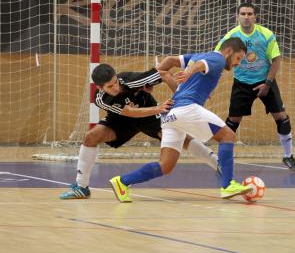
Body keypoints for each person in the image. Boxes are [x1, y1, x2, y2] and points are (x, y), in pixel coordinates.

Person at [109, 37, 253, 202]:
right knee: (227, 136)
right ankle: (228, 185)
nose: (238, 63)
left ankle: (122, 182)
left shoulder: (198, 55)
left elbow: (170, 60)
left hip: (170, 115)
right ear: (229, 51)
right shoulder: (218, 59)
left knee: (166, 166)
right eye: (238, 58)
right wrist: (188, 73)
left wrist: (150, 79)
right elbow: (199, 66)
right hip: (186, 108)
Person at [59, 64, 219, 199]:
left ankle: (217, 164)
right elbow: (129, 112)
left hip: (148, 116)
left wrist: (185, 98)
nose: (115, 87)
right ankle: (82, 187)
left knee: (180, 137)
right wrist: (159, 108)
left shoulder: (131, 79)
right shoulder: (101, 99)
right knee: (90, 137)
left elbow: (164, 74)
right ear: (100, 88)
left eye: (115, 82)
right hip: (122, 120)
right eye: (110, 86)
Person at [215, 3, 295, 171]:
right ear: (237, 17)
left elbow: (275, 60)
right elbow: (217, 58)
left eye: (249, 14)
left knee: (282, 118)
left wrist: (267, 83)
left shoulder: (266, 35)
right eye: (243, 14)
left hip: (265, 81)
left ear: (255, 17)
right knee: (232, 122)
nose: (246, 16)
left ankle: (288, 156)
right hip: (242, 83)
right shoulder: (231, 36)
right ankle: (222, 161)